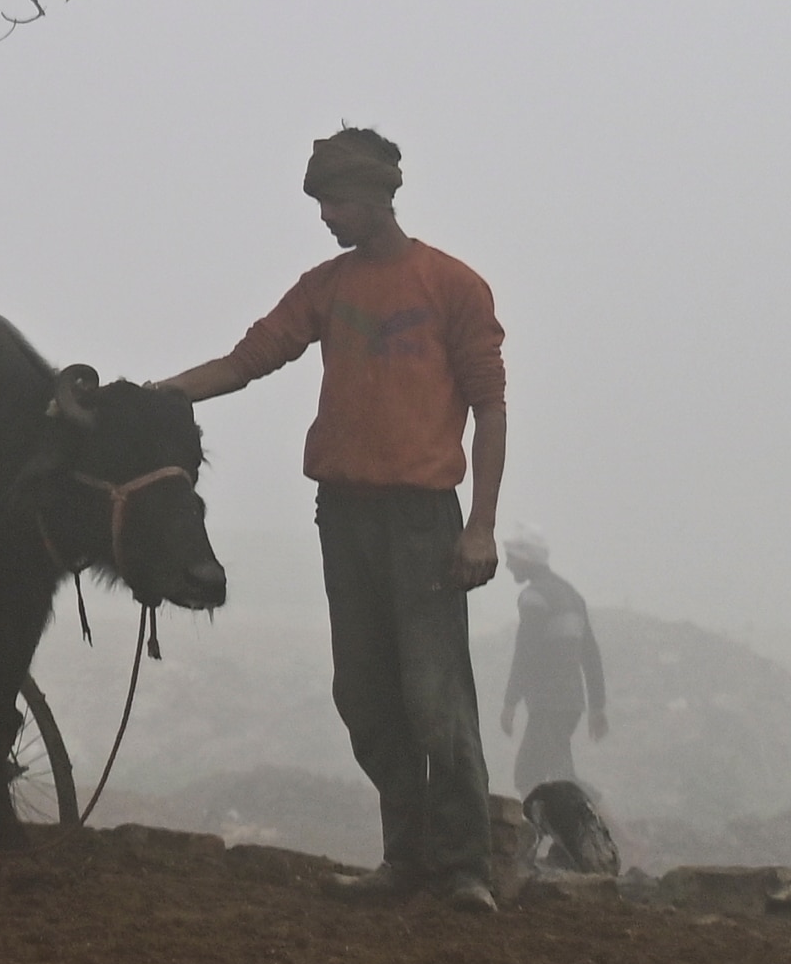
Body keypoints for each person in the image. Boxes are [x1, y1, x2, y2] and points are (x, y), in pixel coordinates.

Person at [157, 123, 510, 914]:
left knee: (435, 697)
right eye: (322, 202)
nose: (326, 216)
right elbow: (249, 359)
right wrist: (160, 393)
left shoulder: (452, 285)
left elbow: (490, 407)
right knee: (365, 694)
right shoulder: (326, 287)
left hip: (424, 516)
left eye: (337, 201)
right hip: (343, 512)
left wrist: (479, 526)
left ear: (380, 198)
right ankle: (404, 859)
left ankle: (462, 872)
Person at [502, 534, 611, 793]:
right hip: (570, 703)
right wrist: (597, 706)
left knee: (530, 777)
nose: (507, 566)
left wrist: (510, 702)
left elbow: (525, 652)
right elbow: (590, 654)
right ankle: (592, 828)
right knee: (557, 774)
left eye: (511, 559)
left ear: (526, 559)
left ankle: (598, 829)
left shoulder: (534, 597)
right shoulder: (571, 594)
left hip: (548, 703)